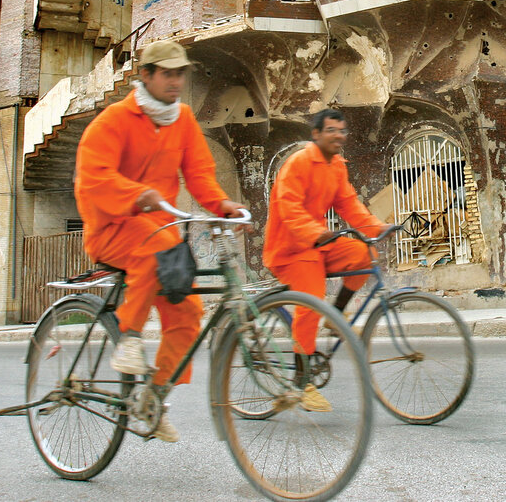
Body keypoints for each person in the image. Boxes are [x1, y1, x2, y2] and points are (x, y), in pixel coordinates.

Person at [75, 39, 244, 442]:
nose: (175, 81)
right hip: (112, 229)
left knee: (188, 315)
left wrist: (222, 205)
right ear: (146, 75)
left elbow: (200, 173)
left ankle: (153, 398)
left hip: (160, 235)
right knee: (152, 252)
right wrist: (135, 195)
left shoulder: (182, 119)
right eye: (166, 73)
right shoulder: (114, 120)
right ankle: (129, 337)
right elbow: (91, 176)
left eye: (180, 73)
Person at [262, 109, 388, 411]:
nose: (338, 136)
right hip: (290, 249)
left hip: (318, 243)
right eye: (331, 130)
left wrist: (375, 228)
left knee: (363, 254)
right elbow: (289, 208)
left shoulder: (336, 167)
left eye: (342, 131)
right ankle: (302, 384)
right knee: (311, 301)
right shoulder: (298, 164)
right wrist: (316, 233)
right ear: (316, 134)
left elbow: (349, 204)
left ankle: (336, 317)